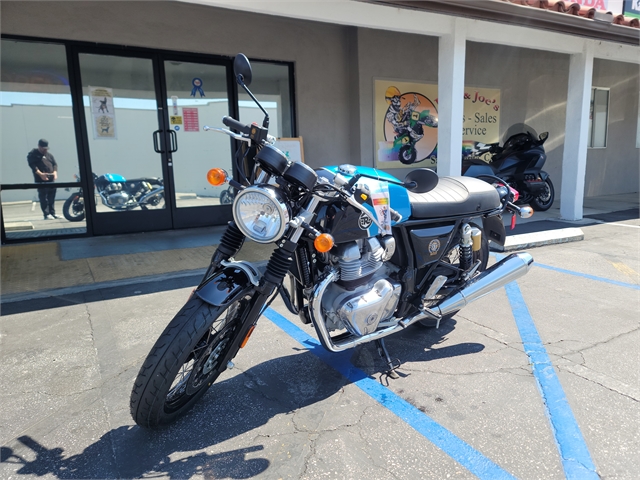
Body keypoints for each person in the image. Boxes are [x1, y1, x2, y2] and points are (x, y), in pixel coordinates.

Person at [27, 139, 58, 219]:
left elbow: (54, 164)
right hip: (41, 179)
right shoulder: (33, 154)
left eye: (46, 148)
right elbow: (32, 166)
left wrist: (55, 172)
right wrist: (40, 174)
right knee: (43, 197)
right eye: (43, 148)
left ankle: (52, 213)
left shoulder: (49, 155)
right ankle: (46, 214)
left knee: (51, 196)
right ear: (39, 146)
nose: (45, 150)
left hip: (51, 179)